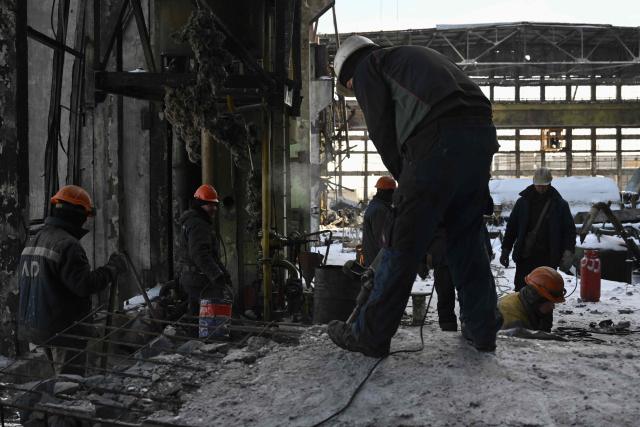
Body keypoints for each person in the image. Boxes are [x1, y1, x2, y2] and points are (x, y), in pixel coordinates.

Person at [327, 35, 502, 355]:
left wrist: (405, 184)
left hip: (437, 141)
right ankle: (483, 330)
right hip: (481, 139)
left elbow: (382, 130)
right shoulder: (412, 57)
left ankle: (370, 335)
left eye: (350, 87)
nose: (355, 90)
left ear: (347, 74)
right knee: (466, 237)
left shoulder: (368, 66)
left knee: (401, 243)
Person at [17, 185, 127, 375]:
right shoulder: (68, 245)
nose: (85, 221)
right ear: (77, 215)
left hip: (36, 328)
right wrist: (112, 269)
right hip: (64, 332)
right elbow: (84, 285)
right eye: (84, 216)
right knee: (68, 386)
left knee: (52, 386)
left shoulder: (35, 239)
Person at [500, 167, 576, 291]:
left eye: (544, 185)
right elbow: (512, 228)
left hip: (549, 257)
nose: (541, 188)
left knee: (546, 291)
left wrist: (568, 251)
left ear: (550, 184)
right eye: (538, 185)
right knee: (522, 289)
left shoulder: (560, 205)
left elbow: (569, 231)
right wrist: (505, 249)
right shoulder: (522, 203)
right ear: (533, 183)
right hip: (526, 256)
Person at [177, 184, 232, 320]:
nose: (214, 208)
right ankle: (211, 339)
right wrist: (217, 276)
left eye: (215, 205)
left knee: (196, 316)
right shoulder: (198, 225)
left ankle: (195, 338)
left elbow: (210, 255)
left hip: (192, 276)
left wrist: (223, 273)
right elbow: (200, 254)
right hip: (198, 278)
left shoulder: (195, 221)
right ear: (200, 204)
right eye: (210, 205)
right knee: (213, 314)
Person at [498, 266, 565, 332]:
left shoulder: (528, 302)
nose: (553, 307)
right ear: (535, 299)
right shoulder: (511, 319)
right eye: (550, 302)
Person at [361, 176, 396, 267]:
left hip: (374, 258)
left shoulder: (376, 206)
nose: (393, 195)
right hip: (377, 260)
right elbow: (383, 240)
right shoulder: (380, 210)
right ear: (385, 192)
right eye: (392, 192)